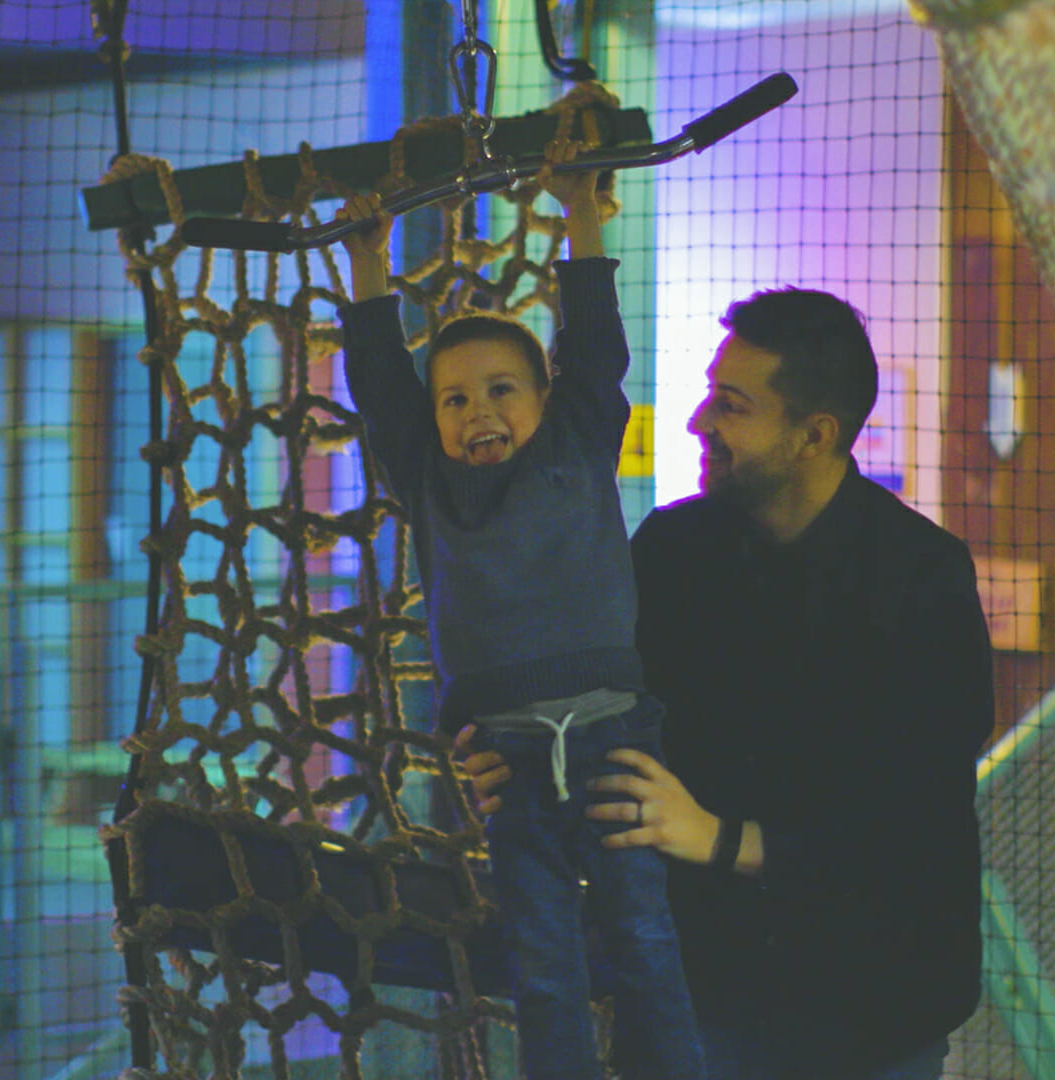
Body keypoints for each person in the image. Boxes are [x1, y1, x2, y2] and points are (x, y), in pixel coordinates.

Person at [461, 287, 995, 1080]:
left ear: (815, 435)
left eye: (733, 405)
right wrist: (524, 758)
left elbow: (907, 833)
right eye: (713, 393)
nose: (699, 422)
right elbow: (601, 708)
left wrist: (713, 836)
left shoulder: (921, 581)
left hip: (868, 1014)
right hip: (697, 997)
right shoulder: (674, 549)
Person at [335, 152, 705, 1080]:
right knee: (544, 966)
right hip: (507, 758)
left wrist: (583, 218)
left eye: (503, 388)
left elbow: (596, 347)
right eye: (455, 400)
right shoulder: (429, 482)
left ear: (545, 397)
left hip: (616, 741)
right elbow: (383, 390)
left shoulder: (579, 440)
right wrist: (368, 266)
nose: (479, 412)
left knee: (645, 943)